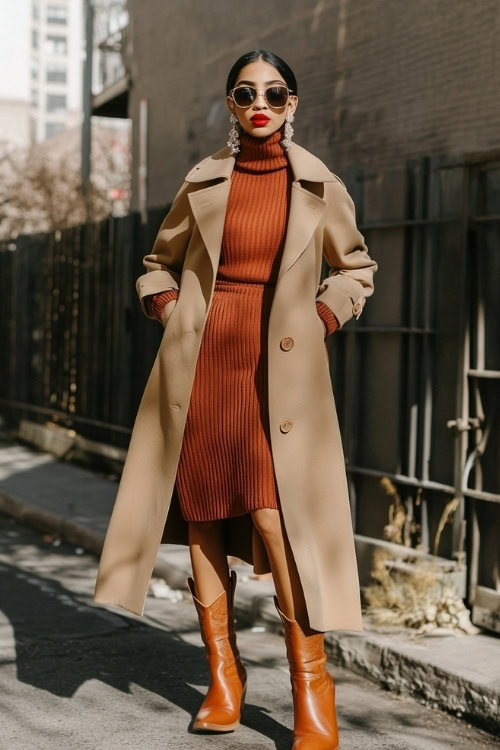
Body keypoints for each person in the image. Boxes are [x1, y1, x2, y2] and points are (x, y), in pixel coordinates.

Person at [94, 48, 378, 749]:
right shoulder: (202, 183)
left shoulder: (318, 184)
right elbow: (157, 266)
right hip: (202, 370)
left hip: (276, 376)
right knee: (202, 521)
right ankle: (223, 679)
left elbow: (358, 269)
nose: (261, 102)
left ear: (293, 104)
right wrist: (168, 310)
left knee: (275, 520)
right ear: (229, 103)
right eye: (246, 92)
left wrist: (323, 317)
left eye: (275, 93)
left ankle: (313, 688)